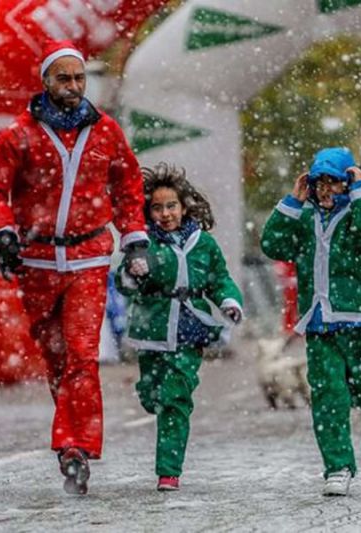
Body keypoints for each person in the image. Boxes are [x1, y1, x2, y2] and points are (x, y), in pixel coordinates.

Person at [0, 40, 150, 495]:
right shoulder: (20, 134)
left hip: (89, 259)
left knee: (82, 355)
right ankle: (71, 436)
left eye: (79, 78)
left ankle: (76, 447)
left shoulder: (106, 131)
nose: (73, 86)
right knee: (56, 360)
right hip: (36, 262)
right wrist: (2, 233)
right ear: (46, 81)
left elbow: (129, 185)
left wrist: (134, 242)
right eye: (63, 78)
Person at [260, 147, 361, 497]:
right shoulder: (304, 218)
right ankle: (337, 467)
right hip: (319, 323)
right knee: (328, 396)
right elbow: (272, 244)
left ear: (347, 182)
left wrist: (360, 189)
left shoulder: (359, 212)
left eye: (333, 183)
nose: (325, 190)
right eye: (319, 182)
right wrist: (292, 201)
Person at [116, 163, 243, 492]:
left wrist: (229, 301)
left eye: (171, 205)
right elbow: (123, 283)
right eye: (157, 207)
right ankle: (150, 396)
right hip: (152, 329)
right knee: (152, 394)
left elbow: (220, 280)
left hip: (190, 329)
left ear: (184, 206)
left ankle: (168, 472)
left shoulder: (204, 244)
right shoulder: (142, 242)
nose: (165, 213)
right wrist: (133, 272)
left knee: (176, 398)